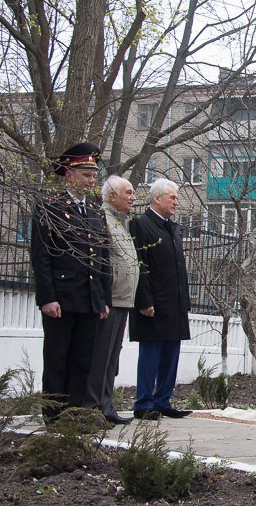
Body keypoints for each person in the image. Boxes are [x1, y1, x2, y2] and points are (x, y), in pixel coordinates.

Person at [31, 142, 112, 422]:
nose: (91, 181)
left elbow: (102, 258)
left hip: (89, 298)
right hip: (62, 298)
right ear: (69, 175)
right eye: (86, 175)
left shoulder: (95, 212)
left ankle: (74, 414)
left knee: (82, 360)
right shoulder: (50, 209)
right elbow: (41, 258)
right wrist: (47, 298)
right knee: (57, 358)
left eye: (93, 175)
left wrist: (103, 299)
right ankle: (54, 416)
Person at [129, 178, 192, 420]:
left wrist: (184, 301)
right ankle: (144, 403)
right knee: (151, 353)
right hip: (153, 303)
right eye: (172, 197)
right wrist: (144, 300)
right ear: (157, 198)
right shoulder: (141, 225)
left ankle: (163, 400)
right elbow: (140, 264)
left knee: (171, 354)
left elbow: (178, 268)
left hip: (174, 304)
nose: (176, 202)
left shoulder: (172, 228)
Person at [83, 176, 138, 426]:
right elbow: (101, 262)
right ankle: (93, 407)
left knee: (112, 358)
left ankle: (106, 405)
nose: (133, 196)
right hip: (111, 299)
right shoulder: (102, 219)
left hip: (123, 299)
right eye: (128, 192)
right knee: (101, 356)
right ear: (112, 196)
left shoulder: (120, 222)